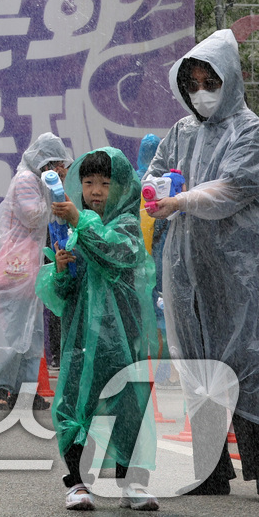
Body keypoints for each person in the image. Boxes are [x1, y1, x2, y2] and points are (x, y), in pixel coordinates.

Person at [144, 30, 259, 495]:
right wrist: (156, 192)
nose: (200, 93)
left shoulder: (250, 131)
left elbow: (232, 190)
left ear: (230, 79)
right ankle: (211, 473)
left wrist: (181, 199)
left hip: (237, 271)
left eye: (209, 82)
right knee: (197, 365)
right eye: (191, 84)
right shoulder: (182, 131)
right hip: (186, 269)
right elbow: (155, 173)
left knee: (247, 362)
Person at [38, 148, 158, 511]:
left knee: (128, 405)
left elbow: (113, 252)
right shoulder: (69, 228)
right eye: (89, 182)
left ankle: (131, 482)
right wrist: (61, 270)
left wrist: (79, 221)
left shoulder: (126, 225)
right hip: (81, 338)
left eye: (105, 183)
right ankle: (77, 482)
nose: (96, 191)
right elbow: (61, 294)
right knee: (76, 405)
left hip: (123, 335)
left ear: (120, 187)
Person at [0, 132, 69, 409]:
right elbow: (33, 215)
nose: (61, 169)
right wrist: (52, 191)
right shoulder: (26, 179)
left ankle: (26, 390)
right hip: (16, 268)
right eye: (57, 163)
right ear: (46, 162)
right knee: (14, 329)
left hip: (27, 266)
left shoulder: (37, 181)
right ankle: (1, 387)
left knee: (32, 331)